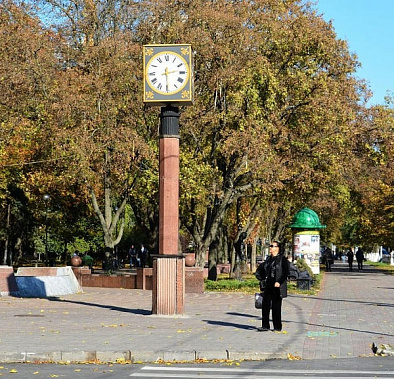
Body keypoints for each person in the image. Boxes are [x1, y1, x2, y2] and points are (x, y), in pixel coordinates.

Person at [255, 241, 289, 332]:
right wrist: (261, 278)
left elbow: (286, 272)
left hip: (277, 286)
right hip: (268, 284)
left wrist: (279, 281)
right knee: (265, 305)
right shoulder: (268, 259)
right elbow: (262, 270)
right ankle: (265, 326)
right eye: (270, 246)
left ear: (277, 248)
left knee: (276, 306)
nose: (270, 248)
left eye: (272, 246)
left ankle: (277, 327)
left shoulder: (282, 259)